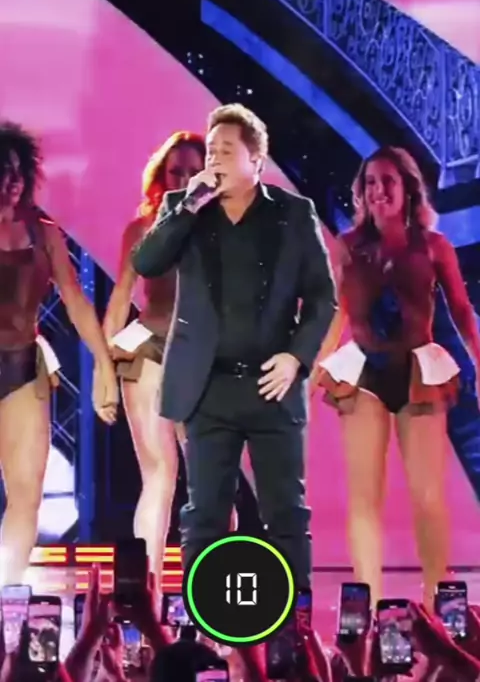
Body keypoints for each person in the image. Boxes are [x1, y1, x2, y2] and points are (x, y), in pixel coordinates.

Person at [132, 103, 335, 591]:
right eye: (211, 151)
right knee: (204, 514)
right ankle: (205, 618)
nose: (214, 160)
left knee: (285, 513)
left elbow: (322, 297)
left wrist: (296, 357)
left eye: (226, 150)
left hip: (272, 385)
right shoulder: (185, 207)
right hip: (208, 386)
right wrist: (188, 207)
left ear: (255, 161)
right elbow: (148, 262)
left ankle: (293, 620)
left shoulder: (292, 213)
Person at [312, 146, 480, 610]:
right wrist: (311, 371)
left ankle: (438, 602)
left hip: (419, 373)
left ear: (408, 188)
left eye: (388, 181)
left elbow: (461, 311)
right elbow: (336, 313)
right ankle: (367, 604)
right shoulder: (347, 245)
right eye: (370, 182)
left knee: (428, 497)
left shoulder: (434, 246)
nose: (378, 190)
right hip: (363, 372)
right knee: (364, 498)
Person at [0, 121, 117, 585]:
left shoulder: (43, 232)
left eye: (16, 172)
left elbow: (75, 301)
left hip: (23, 367)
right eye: (1, 171)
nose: (10, 182)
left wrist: (104, 364)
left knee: (27, 494)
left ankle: (7, 593)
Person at [103, 132, 206, 580]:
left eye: (192, 171)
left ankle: (210, 597)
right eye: (175, 171)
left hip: (203, 356)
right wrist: (102, 373)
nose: (183, 179)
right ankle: (146, 596)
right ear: (161, 176)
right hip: (148, 347)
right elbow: (120, 299)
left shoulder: (228, 227)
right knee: (159, 476)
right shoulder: (143, 228)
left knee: (209, 485)